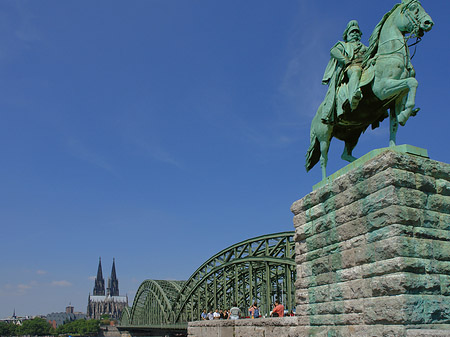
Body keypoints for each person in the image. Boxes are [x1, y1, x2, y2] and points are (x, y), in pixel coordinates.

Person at [321, 20, 368, 124]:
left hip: (365, 67)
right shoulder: (343, 45)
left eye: (357, 32)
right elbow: (333, 51)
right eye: (352, 32)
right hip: (350, 67)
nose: (355, 34)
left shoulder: (364, 47)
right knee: (356, 71)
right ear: (347, 35)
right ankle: (353, 98)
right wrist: (345, 60)